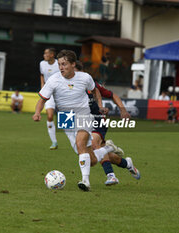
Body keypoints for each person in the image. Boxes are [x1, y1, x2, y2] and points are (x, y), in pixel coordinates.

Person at [33, 50, 123, 191]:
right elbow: (42, 99)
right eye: (60, 64)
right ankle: (108, 148)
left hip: (83, 114)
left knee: (80, 143)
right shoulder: (53, 80)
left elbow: (95, 91)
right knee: (90, 159)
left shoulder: (85, 78)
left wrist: (100, 106)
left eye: (64, 64)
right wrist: (37, 112)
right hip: (65, 118)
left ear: (73, 64)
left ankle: (85, 181)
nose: (61, 67)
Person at [75, 61, 140, 186]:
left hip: (97, 119)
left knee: (94, 144)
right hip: (82, 121)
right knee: (98, 154)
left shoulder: (90, 83)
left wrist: (122, 109)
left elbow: (112, 95)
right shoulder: (67, 86)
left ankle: (111, 176)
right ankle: (128, 164)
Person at [39, 48, 60, 150]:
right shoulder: (42, 64)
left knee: (67, 119)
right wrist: (43, 87)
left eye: (46, 53)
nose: (44, 55)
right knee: (50, 116)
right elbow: (42, 75)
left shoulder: (59, 64)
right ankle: (54, 142)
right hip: (50, 93)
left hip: (61, 93)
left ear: (52, 55)